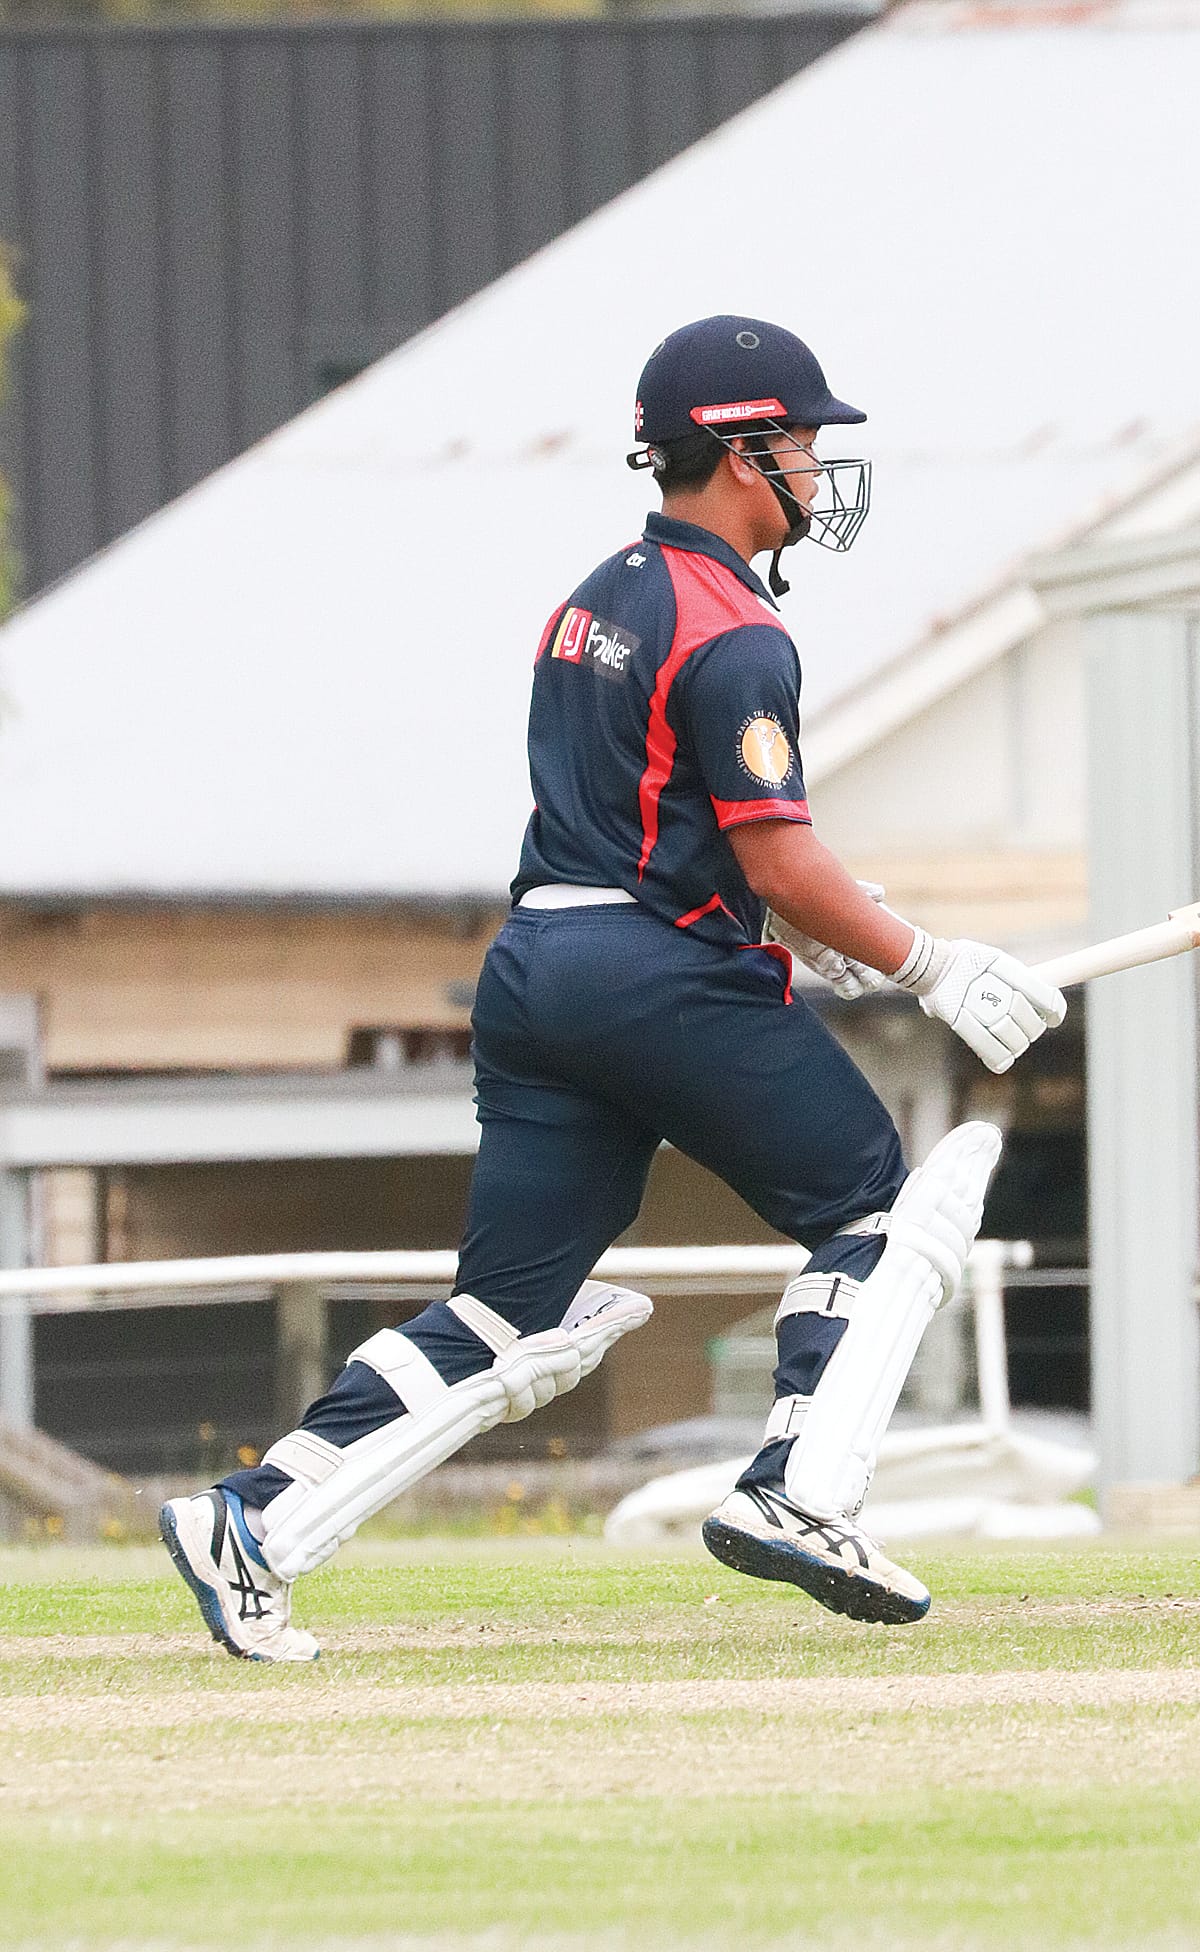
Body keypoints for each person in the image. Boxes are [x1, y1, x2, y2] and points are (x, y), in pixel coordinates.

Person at [159, 315, 1066, 1661]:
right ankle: (798, 1490)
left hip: (538, 965)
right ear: (741, 449)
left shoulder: (597, 595)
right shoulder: (739, 630)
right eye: (803, 442)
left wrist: (804, 933)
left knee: (508, 1307)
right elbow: (777, 850)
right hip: (656, 971)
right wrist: (925, 961)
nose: (818, 469)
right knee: (874, 1208)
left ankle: (257, 1517)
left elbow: (662, 820)